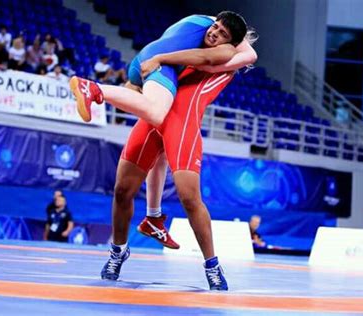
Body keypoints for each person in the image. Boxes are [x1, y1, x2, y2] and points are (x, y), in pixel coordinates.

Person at [99, 33, 257, 291]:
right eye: (213, 29)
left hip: (182, 125)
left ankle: (212, 265)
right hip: (154, 118)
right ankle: (118, 252)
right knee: (121, 190)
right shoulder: (190, 44)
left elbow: (229, 55)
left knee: (189, 198)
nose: (213, 34)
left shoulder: (226, 54)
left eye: (222, 33)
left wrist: (159, 57)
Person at [70, 11, 248, 127]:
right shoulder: (229, 49)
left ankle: (98, 92)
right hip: (159, 64)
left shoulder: (199, 19)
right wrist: (159, 59)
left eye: (222, 34)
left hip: (143, 58)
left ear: (233, 40)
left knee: (131, 106)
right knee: (156, 114)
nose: (215, 33)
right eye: (216, 27)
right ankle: (92, 88)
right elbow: (205, 57)